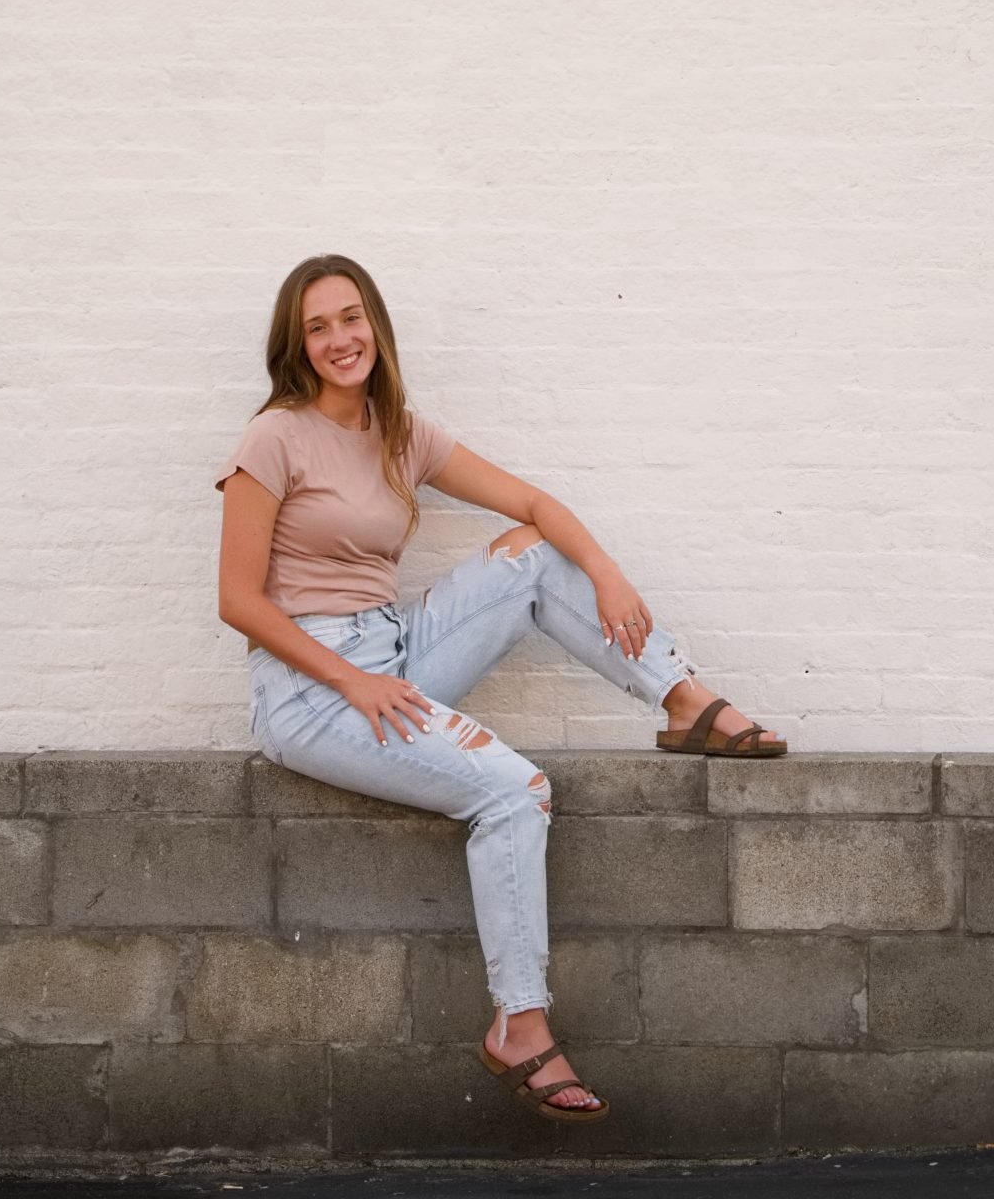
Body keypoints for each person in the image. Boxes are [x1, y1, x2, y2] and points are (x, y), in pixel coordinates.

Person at [215, 253, 789, 1124]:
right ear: (296, 346)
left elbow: (532, 501)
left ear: (377, 324)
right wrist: (352, 683)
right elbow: (237, 601)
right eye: (318, 327)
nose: (340, 339)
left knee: (530, 552)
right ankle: (520, 1024)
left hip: (392, 649)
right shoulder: (274, 437)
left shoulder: (402, 431)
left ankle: (683, 700)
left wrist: (606, 572)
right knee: (517, 791)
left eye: (351, 317)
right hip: (312, 687)